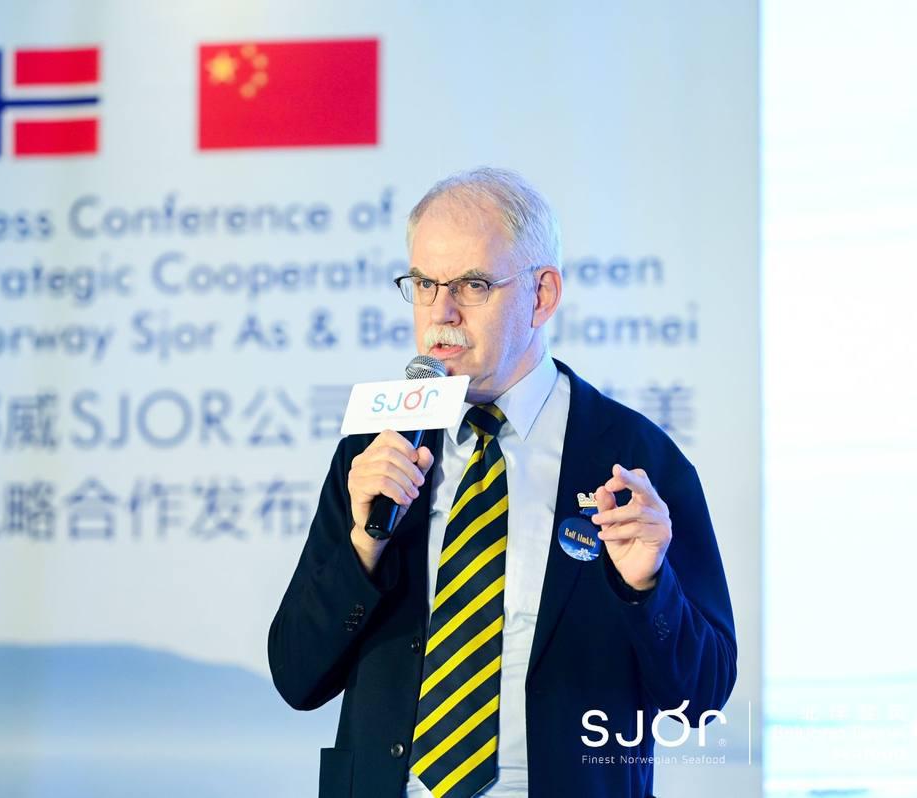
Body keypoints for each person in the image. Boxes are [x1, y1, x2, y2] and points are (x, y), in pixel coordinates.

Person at [268, 167, 736, 798]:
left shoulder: (635, 460)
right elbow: (296, 675)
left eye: (473, 285)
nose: (442, 313)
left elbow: (702, 699)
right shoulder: (378, 451)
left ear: (542, 295)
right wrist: (362, 548)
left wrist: (648, 588)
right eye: (425, 285)